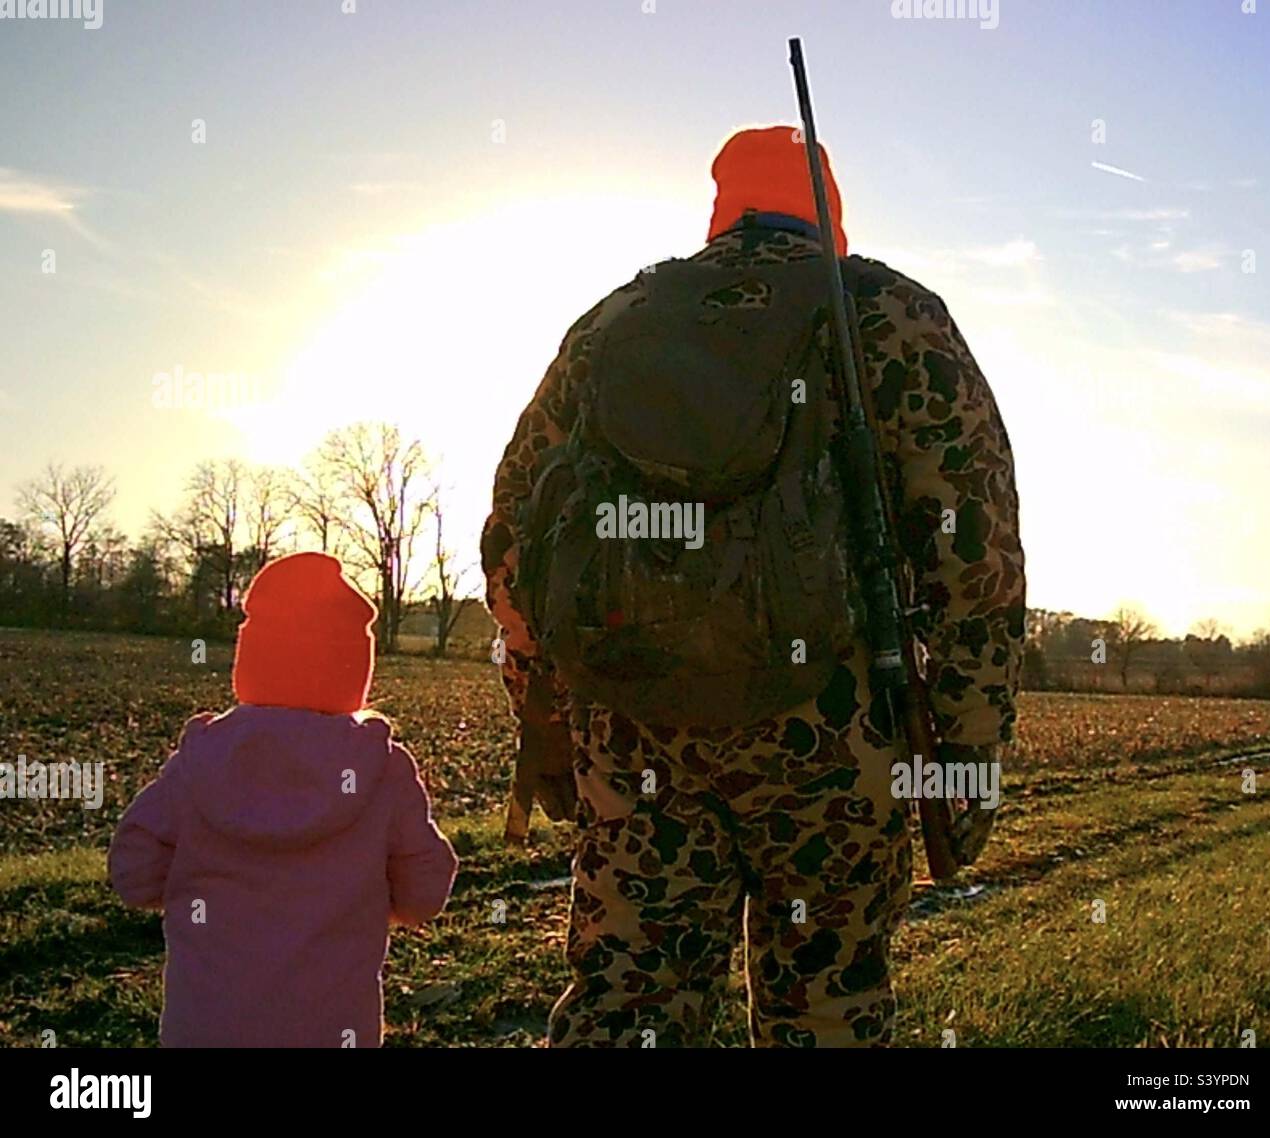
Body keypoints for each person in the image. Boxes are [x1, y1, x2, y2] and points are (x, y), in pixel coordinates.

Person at [482, 125, 1025, 1047]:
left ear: (719, 212)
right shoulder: (890, 315)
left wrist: (550, 723)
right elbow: (974, 555)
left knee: (627, 1008)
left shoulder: (615, 322)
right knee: (825, 1014)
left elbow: (515, 542)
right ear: (831, 217)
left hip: (635, 735)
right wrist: (964, 767)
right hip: (836, 741)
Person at [108, 551, 457, 1047]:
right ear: (354, 670)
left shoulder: (202, 760)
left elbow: (133, 873)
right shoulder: (380, 769)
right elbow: (425, 892)